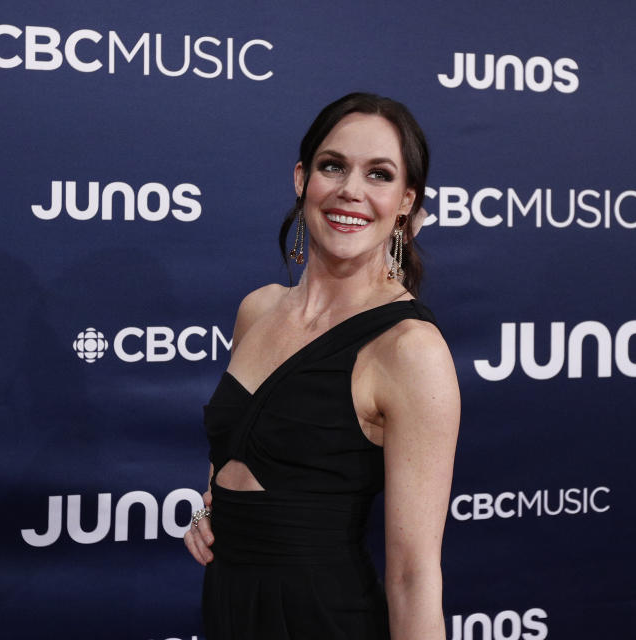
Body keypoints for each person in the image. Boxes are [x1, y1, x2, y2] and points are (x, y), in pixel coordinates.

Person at [184, 92, 460, 640]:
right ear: (300, 178)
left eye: (379, 174)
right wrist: (209, 508)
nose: (350, 190)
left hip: (321, 618)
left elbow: (412, 575)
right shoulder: (257, 309)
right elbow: (238, 447)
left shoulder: (409, 349)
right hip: (228, 607)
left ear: (406, 201)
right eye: (333, 166)